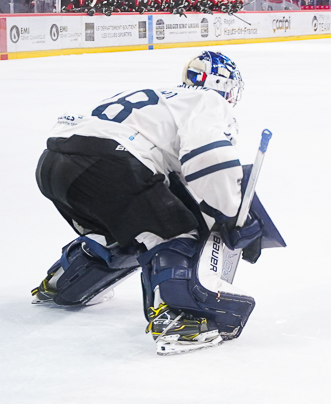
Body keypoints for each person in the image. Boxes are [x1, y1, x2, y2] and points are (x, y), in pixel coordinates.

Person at [31, 52, 278, 355]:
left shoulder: (165, 98)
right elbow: (210, 158)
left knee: (131, 232)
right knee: (175, 232)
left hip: (55, 163)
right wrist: (232, 216)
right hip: (113, 161)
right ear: (221, 84)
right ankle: (182, 317)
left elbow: (180, 181)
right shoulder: (208, 101)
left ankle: (64, 282)